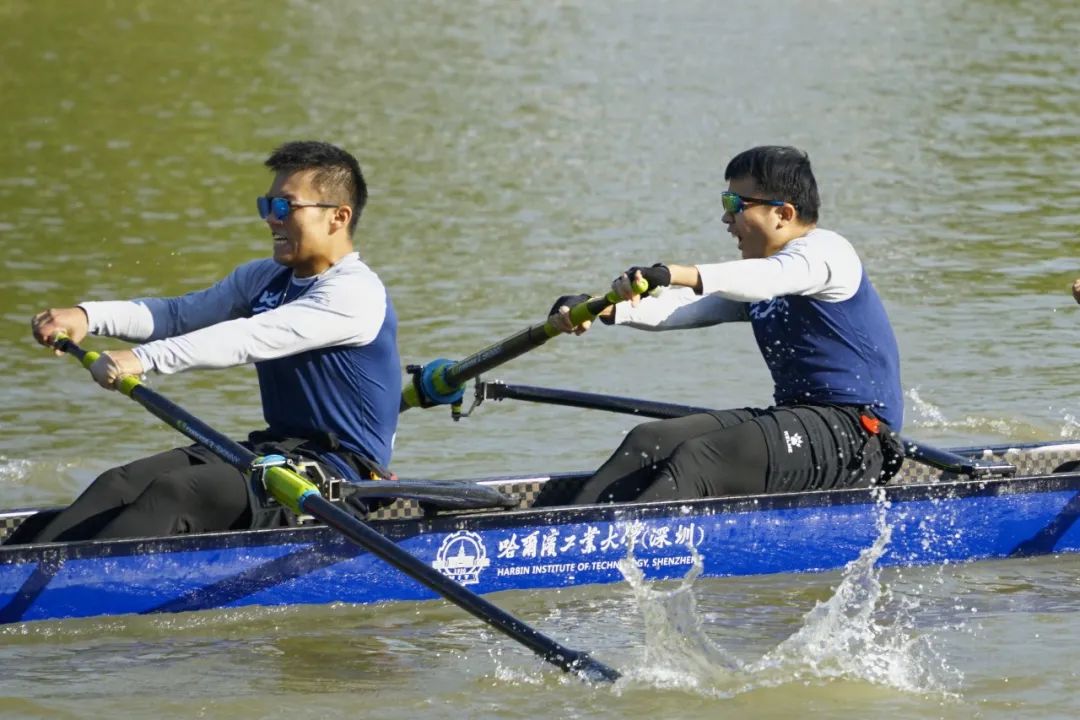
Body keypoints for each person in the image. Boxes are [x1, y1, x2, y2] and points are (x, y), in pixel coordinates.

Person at [6, 140, 401, 544]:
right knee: (118, 484)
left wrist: (142, 360)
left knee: (177, 493)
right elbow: (177, 315)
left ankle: (71, 589)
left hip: (338, 478)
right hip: (273, 453)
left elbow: (248, 338)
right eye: (266, 207)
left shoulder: (354, 294)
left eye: (285, 207)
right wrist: (87, 315)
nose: (271, 220)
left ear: (338, 217)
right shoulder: (262, 278)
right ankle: (23, 567)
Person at [545, 145, 904, 505]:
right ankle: (561, 537)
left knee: (700, 458)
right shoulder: (756, 278)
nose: (725, 220)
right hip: (797, 419)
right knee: (647, 441)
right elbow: (682, 306)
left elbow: (767, 278)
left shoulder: (828, 253)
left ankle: (617, 549)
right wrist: (599, 308)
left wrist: (672, 273)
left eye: (735, 205)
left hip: (858, 435)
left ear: (783, 213)